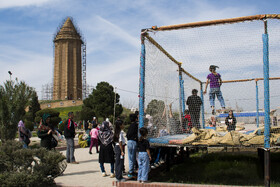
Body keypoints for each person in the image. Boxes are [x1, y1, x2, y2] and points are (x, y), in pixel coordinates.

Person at [126, 113, 138, 178]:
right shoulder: (135, 125)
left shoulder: (130, 126)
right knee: (133, 157)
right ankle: (131, 172)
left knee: (130, 157)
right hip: (133, 142)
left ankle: (131, 170)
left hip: (129, 142)